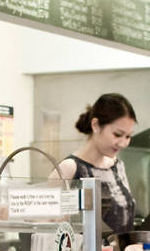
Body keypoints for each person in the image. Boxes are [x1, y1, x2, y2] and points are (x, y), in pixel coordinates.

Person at [54, 93, 137, 240]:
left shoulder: (118, 167)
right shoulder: (70, 167)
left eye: (128, 136)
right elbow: (46, 223)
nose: (123, 143)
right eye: (117, 135)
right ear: (96, 125)